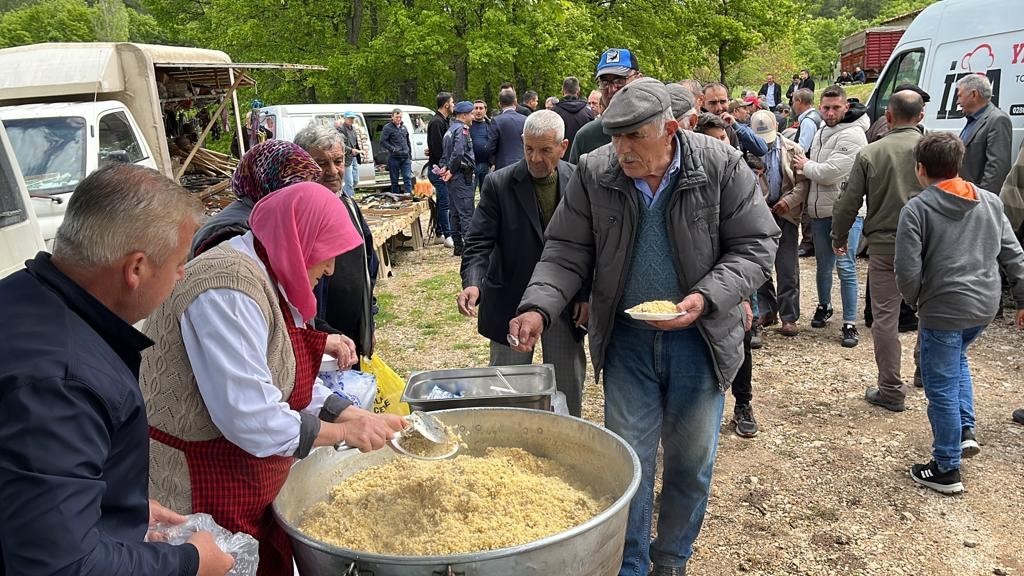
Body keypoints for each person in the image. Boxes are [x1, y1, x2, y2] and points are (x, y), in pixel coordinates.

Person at [509, 78, 779, 576]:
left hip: (699, 341)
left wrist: (706, 297)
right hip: (629, 343)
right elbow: (565, 251)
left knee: (690, 463)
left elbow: (757, 245)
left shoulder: (719, 165)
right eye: (615, 137)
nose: (622, 150)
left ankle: (672, 559)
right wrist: (538, 307)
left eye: (634, 137)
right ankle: (629, 564)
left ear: (671, 129)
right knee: (629, 463)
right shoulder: (596, 173)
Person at [141, 183, 406, 576]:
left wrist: (348, 413)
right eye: (326, 253)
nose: (331, 268)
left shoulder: (273, 274)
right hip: (197, 485)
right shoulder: (226, 288)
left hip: (246, 476)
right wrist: (343, 434)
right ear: (298, 241)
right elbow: (251, 418)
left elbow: (286, 375)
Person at [0, 164, 234, 576]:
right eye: (180, 263)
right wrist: (189, 562)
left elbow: (29, 481)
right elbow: (62, 565)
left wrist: (109, 504)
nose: (182, 274)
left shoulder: (22, 296)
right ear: (136, 269)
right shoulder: (64, 381)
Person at [895, 132, 1024, 494]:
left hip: (943, 309)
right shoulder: (989, 201)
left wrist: (917, 301)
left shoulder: (917, 209)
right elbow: (1013, 254)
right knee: (958, 361)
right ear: (959, 162)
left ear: (920, 169)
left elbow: (907, 269)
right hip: (983, 306)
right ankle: (965, 430)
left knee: (941, 386)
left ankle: (946, 467)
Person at [458, 111, 588, 416]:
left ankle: (569, 443)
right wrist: (473, 283)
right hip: (510, 302)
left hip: (565, 305)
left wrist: (585, 294)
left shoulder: (581, 181)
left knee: (566, 384)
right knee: (507, 388)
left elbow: (589, 244)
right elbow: (478, 242)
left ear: (563, 146)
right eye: (529, 148)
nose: (534, 158)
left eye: (544, 150)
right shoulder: (498, 184)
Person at [832, 90, 926, 412]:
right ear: (922, 117)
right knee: (929, 311)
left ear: (888, 117)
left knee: (885, 318)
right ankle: (925, 371)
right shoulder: (935, 150)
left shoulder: (871, 153)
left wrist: (839, 236)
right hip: (930, 246)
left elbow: (848, 202)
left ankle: (890, 389)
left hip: (886, 247)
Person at [792, 85, 869, 348]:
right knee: (823, 266)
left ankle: (849, 322)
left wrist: (805, 165)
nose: (830, 112)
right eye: (826, 107)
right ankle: (824, 305)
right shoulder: (823, 130)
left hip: (845, 214)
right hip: (819, 211)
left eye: (836, 107)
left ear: (846, 107)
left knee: (846, 267)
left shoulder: (854, 135)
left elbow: (831, 171)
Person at [295, 124, 380, 362]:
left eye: (338, 161)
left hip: (350, 336)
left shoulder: (349, 205)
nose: (333, 171)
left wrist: (368, 321)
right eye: (321, 164)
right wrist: (321, 334)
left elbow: (368, 265)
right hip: (318, 340)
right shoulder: (301, 215)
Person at [191, 140, 323, 257]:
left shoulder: (257, 217)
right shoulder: (235, 233)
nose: (308, 193)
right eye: (300, 183)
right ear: (269, 179)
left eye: (312, 182)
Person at [750, 110, 809, 338]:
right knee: (760, 266)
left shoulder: (794, 149)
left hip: (786, 214)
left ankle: (789, 316)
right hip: (759, 213)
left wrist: (789, 201)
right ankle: (766, 309)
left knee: (787, 267)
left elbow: (803, 183)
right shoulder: (747, 150)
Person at [569, 47, 643, 163]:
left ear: (639, 79)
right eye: (605, 82)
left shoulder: (656, 130)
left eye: (620, 81)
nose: (612, 89)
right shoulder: (587, 136)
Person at [957, 73, 1013, 193]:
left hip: (978, 200)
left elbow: (997, 168)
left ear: (974, 94)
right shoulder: (973, 120)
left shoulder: (997, 120)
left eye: (960, 96)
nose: (957, 102)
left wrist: (984, 200)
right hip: (965, 195)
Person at [440, 100, 477, 256]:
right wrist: (451, 170)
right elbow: (459, 153)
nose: (473, 116)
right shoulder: (462, 130)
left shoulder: (450, 130)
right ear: (464, 115)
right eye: (471, 114)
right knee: (466, 213)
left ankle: (458, 246)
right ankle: (470, 248)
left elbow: (444, 155)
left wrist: (445, 167)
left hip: (454, 178)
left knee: (455, 212)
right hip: (461, 176)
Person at [702, 83, 768, 157]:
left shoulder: (737, 127)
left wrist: (736, 127)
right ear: (703, 103)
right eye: (713, 103)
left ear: (728, 102)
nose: (719, 108)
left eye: (723, 102)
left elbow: (762, 149)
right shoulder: (696, 128)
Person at [427, 92, 455, 247]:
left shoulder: (445, 121)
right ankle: (447, 235)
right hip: (439, 169)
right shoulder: (437, 123)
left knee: (443, 201)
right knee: (445, 203)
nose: (453, 105)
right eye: (452, 102)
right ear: (446, 105)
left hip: (442, 168)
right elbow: (438, 149)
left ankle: (439, 232)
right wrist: (446, 168)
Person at [552, 75, 595, 160]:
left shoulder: (554, 112)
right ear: (578, 90)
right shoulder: (588, 112)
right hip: (583, 160)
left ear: (563, 90)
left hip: (561, 160)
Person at [488, 88, 528, 170]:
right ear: (515, 102)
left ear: (500, 104)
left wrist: (491, 162)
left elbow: (491, 146)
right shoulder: (526, 119)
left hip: (503, 165)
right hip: (524, 163)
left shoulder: (496, 120)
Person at [380, 108, 414, 195]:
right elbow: (383, 141)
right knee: (394, 180)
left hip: (405, 157)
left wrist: (409, 154)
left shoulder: (404, 127)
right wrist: (393, 149)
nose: (399, 119)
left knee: (407, 177)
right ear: (392, 117)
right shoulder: (387, 128)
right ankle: (395, 197)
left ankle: (408, 196)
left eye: (400, 117)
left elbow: (407, 141)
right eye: (397, 117)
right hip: (394, 158)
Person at [470, 99, 494, 195]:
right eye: (476, 108)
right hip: (471, 166)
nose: (478, 111)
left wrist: (493, 162)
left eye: (481, 108)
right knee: (469, 195)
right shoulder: (467, 125)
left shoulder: (491, 125)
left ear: (485, 110)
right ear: (472, 110)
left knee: (486, 195)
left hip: (486, 165)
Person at [338, 112, 363, 198]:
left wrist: (358, 151)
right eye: (349, 118)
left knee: (355, 180)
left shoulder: (353, 129)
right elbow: (340, 145)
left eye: (352, 118)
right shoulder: (340, 130)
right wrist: (351, 150)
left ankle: (343, 194)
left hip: (354, 158)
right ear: (344, 118)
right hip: (346, 158)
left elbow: (355, 143)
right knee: (349, 182)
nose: (351, 120)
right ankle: (349, 199)